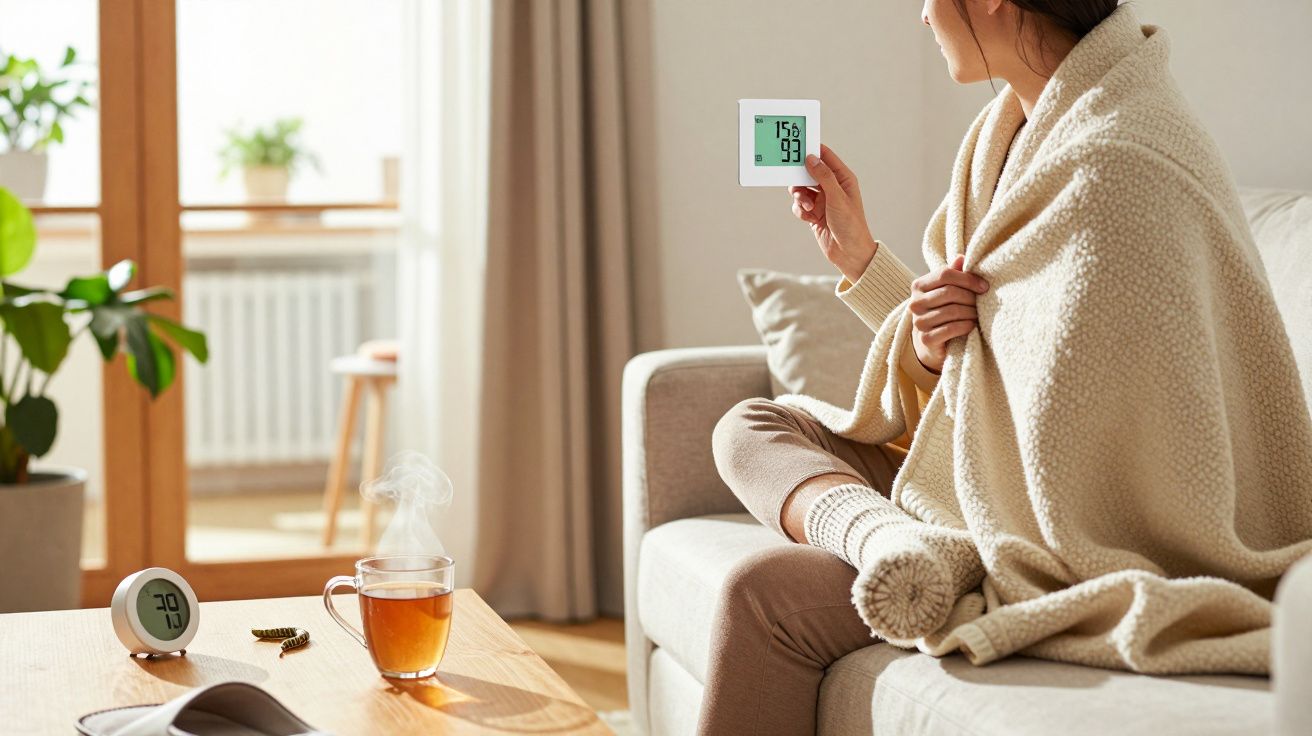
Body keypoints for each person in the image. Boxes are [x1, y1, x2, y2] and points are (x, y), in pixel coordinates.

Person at [697, 1, 1312, 734]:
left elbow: (1070, 440)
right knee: (750, 426)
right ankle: (894, 542)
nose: (923, 18)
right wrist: (866, 266)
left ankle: (909, 547)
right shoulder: (1009, 133)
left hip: (1033, 520)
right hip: (979, 481)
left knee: (760, 593)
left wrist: (937, 352)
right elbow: (993, 352)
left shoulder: (1117, 162)